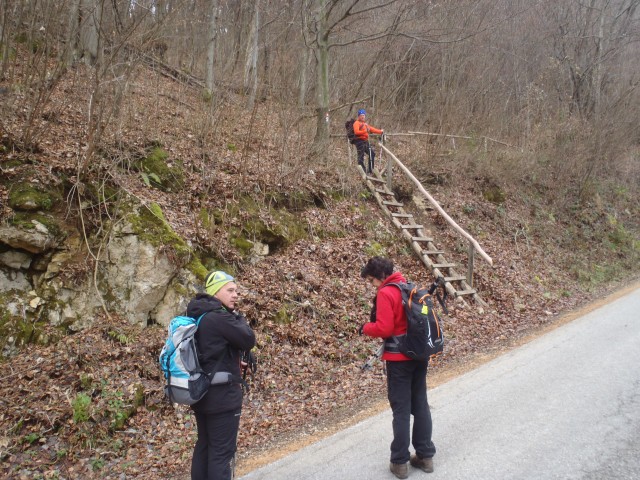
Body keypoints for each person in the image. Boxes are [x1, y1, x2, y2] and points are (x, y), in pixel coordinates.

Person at [359, 257, 436, 479]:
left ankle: (400, 462)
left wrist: (365, 328)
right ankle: (425, 456)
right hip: (419, 356)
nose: (372, 284)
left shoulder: (386, 292)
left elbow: (384, 328)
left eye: (372, 280)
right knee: (420, 404)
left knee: (401, 410)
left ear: (381, 276)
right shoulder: (407, 286)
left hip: (399, 360)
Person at [187, 270, 256, 480]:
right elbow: (248, 338)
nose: (236, 295)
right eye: (230, 290)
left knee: (205, 446)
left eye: (236, 290)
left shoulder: (198, 316)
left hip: (202, 393)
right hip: (223, 397)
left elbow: (212, 352)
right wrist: (237, 317)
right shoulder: (220, 317)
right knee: (221, 453)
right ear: (216, 293)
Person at [353, 108, 384, 174]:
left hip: (365, 141)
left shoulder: (365, 124)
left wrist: (380, 132)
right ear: (358, 116)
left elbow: (372, 129)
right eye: (361, 115)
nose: (363, 116)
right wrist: (365, 131)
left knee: (372, 154)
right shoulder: (356, 123)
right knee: (361, 156)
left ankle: (370, 170)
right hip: (359, 142)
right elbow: (356, 132)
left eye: (364, 115)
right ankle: (362, 171)